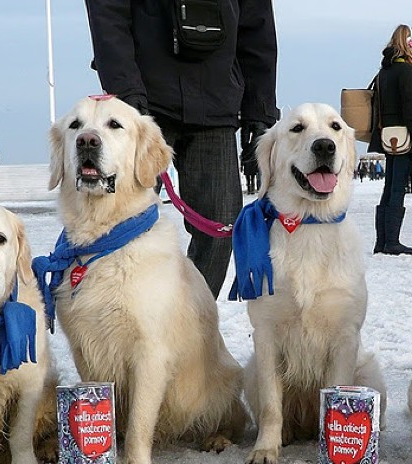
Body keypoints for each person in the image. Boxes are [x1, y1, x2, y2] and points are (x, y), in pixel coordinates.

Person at [85, 0, 279, 299]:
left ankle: (189, 318)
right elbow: (108, 13)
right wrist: (126, 91)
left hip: (216, 102)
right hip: (145, 104)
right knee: (115, 223)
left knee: (220, 226)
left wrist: (260, 107)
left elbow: (257, 25)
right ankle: (124, 318)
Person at [369, 24, 412, 256]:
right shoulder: (405, 70)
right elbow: (410, 109)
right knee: (398, 187)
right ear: (409, 43)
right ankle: (392, 241)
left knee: (389, 186)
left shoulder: (384, 71)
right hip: (403, 135)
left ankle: (381, 241)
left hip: (386, 134)